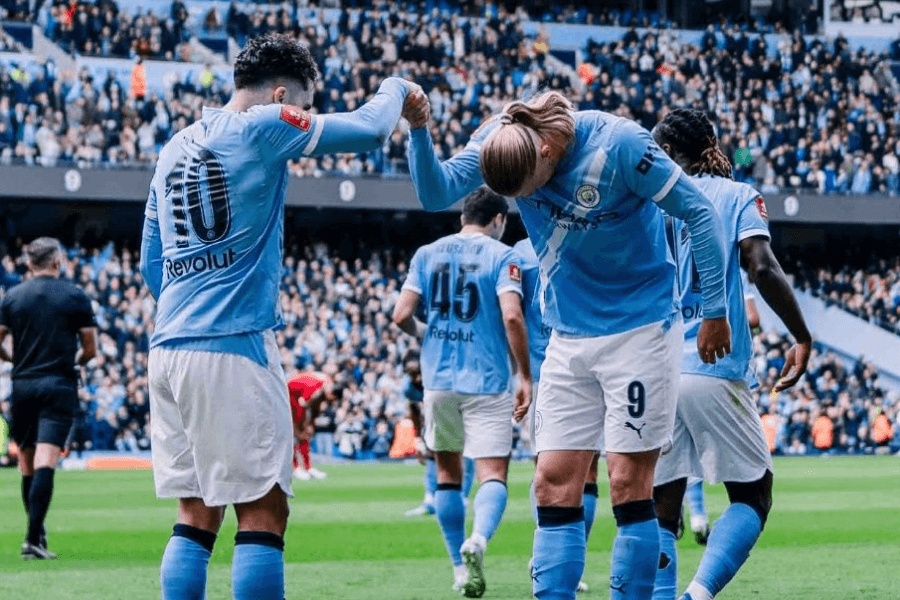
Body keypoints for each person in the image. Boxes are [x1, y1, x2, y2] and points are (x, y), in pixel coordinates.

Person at [403, 91, 731, 600]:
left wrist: (715, 311)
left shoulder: (621, 144)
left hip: (640, 331)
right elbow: (434, 191)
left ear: (548, 154)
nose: (526, 204)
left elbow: (700, 212)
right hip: (567, 335)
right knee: (552, 483)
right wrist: (419, 129)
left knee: (627, 484)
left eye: (529, 191)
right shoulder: (499, 137)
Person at [139, 33, 418, 600]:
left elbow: (152, 264)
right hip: (231, 344)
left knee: (195, 512)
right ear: (284, 94)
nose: (305, 120)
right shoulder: (264, 124)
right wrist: (399, 87)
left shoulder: (173, 147)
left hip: (168, 347)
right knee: (263, 511)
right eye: (306, 106)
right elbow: (368, 129)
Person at [650, 108, 812, 600]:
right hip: (712, 364)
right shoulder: (738, 195)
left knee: (661, 505)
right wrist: (802, 335)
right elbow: (761, 267)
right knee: (754, 495)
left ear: (671, 154)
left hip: (653, 368)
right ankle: (696, 596)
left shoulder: (648, 207)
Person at [392, 187, 532, 598]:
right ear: (498, 221)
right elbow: (511, 316)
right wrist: (524, 374)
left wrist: (426, 335)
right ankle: (479, 540)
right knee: (492, 473)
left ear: (462, 219)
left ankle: (457, 566)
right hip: (486, 381)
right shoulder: (501, 255)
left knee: (447, 476)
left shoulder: (427, 253)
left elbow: (400, 314)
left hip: (438, 382)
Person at [0, 237, 97, 559]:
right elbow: (90, 348)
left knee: (26, 463)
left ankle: (36, 537)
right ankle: (33, 539)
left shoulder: (12, 297)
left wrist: (14, 358)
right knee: (46, 460)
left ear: (29, 264)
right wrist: (75, 363)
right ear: (57, 262)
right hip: (58, 384)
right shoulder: (75, 296)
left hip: (23, 385)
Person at [516, 236, 595, 594]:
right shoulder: (585, 233)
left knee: (546, 471)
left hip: (542, 367)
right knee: (588, 473)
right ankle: (566, 562)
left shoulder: (519, 251)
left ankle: (546, 556)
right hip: (587, 360)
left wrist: (519, 373)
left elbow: (510, 313)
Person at [402, 350, 475, 518]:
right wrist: (419, 439)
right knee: (431, 451)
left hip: (462, 412)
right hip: (436, 415)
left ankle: (462, 498)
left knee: (467, 454)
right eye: (412, 375)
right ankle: (429, 501)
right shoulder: (408, 388)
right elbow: (414, 410)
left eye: (419, 373)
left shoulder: (444, 378)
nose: (417, 379)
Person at [286, 371, 334, 481]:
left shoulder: (325, 386)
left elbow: (314, 408)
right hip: (290, 395)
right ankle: (296, 468)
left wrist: (311, 424)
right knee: (296, 434)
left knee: (303, 435)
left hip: (296, 394)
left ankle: (308, 468)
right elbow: (303, 402)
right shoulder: (316, 390)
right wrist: (304, 426)